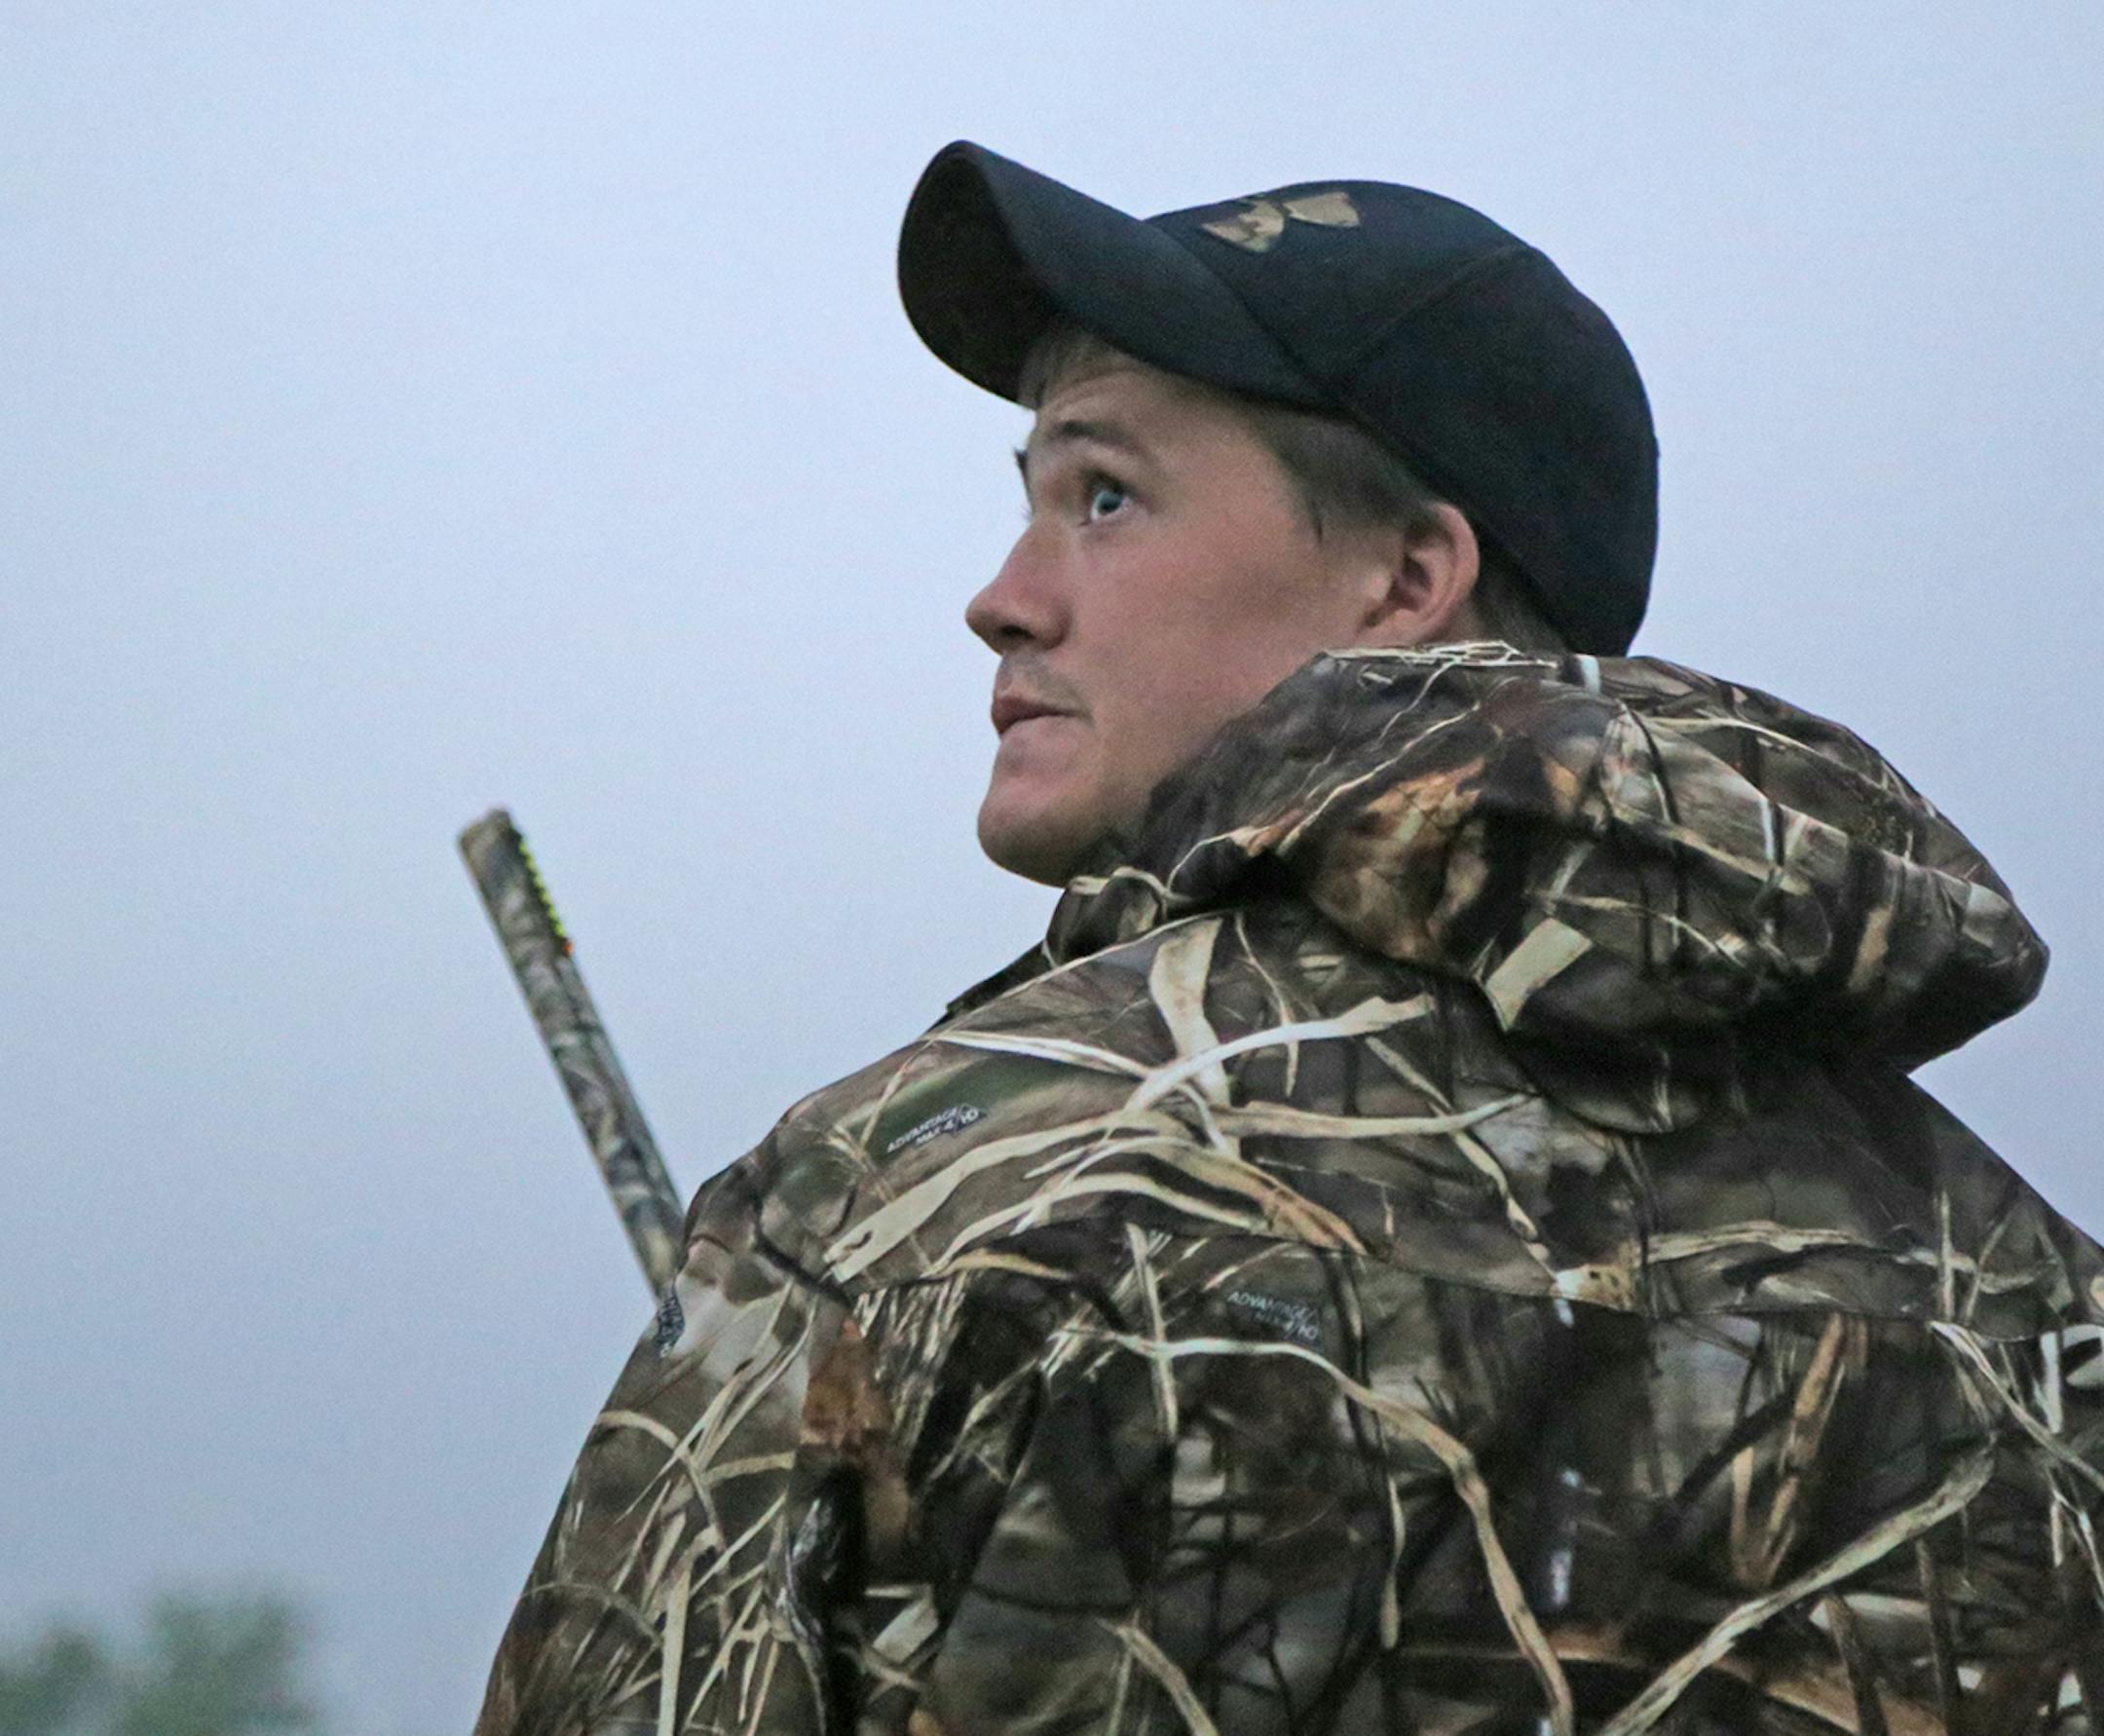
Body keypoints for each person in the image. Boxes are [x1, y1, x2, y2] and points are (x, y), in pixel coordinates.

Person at [473, 142, 2104, 1735]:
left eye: (1105, 495)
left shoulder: (945, 1198)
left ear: (1409, 578)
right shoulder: (2033, 1312)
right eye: (1032, 500)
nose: (1003, 594)